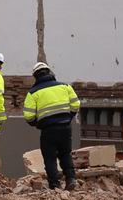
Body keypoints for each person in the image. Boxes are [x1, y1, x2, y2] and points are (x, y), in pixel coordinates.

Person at [22, 62, 82, 191]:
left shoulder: (33, 93)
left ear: (35, 76)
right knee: (65, 154)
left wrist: (37, 124)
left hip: (48, 130)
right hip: (65, 127)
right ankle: (71, 179)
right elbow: (76, 104)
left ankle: (54, 185)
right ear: (49, 73)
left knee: (50, 157)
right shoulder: (65, 86)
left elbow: (28, 116)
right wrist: (68, 116)